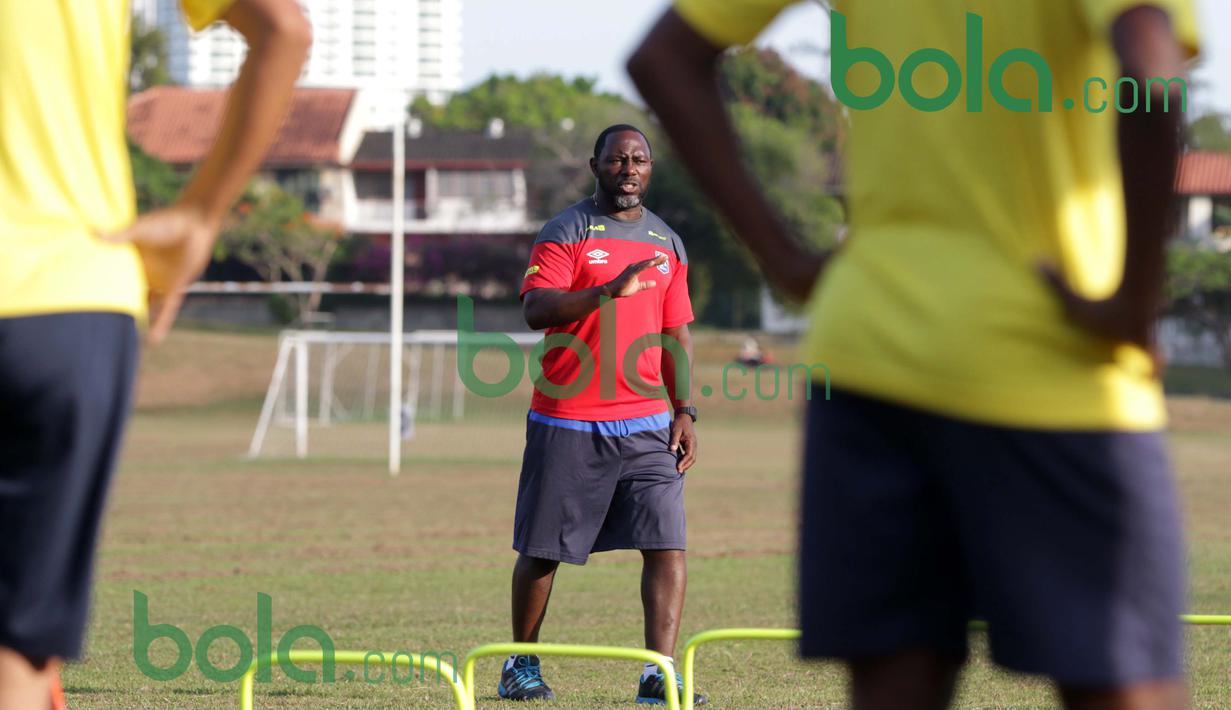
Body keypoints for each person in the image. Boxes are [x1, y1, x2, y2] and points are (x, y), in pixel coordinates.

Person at [630, 2, 1197, 709]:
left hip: (873, 361)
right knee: (1123, 685)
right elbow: (1151, 72)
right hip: (1054, 362)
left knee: (894, 688)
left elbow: (663, 57)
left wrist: (784, 259)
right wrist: (1133, 302)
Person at [0, 1, 310, 707]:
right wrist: (200, 212)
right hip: (66, 296)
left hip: (69, 296)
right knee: (15, 656)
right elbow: (283, 29)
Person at [500, 125, 706, 706]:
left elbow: (676, 333)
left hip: (645, 423)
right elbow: (536, 308)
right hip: (568, 417)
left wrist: (685, 410)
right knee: (543, 549)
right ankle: (520, 663)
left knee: (668, 543)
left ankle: (657, 675)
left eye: (639, 159)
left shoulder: (667, 242)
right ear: (596, 165)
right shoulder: (566, 230)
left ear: (650, 167)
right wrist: (606, 292)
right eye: (617, 159)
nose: (629, 168)